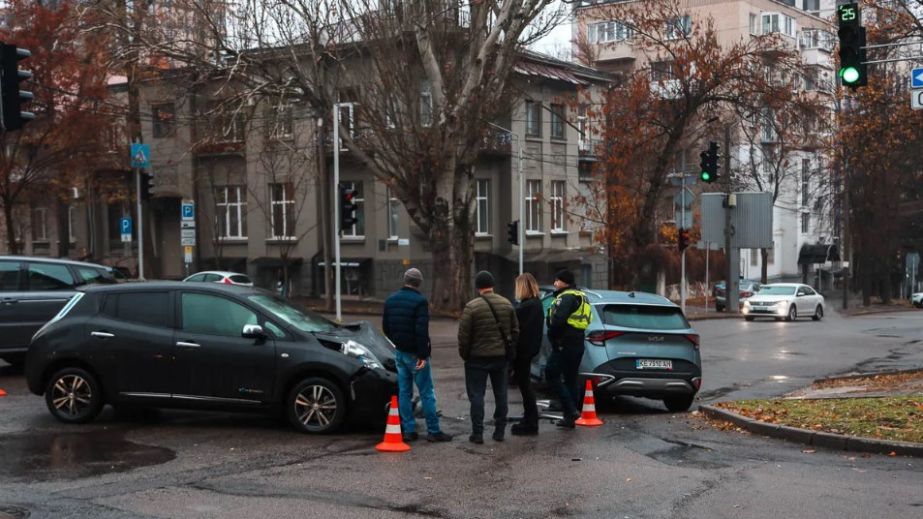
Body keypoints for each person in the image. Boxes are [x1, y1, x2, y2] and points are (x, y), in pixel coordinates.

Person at [382, 268, 452, 443]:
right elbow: (421, 332)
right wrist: (422, 355)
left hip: (400, 352)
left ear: (405, 280)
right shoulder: (420, 302)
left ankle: (409, 430)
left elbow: (386, 327)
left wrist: (398, 342)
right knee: (426, 392)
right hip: (416, 355)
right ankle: (433, 431)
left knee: (404, 392)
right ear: (419, 283)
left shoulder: (391, 300)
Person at [458, 270, 519, 444]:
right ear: (492, 285)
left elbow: (464, 336)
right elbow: (515, 331)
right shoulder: (506, 304)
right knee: (501, 394)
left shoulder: (471, 307)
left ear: (478, 287)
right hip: (500, 358)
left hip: (476, 359)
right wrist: (508, 349)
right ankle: (499, 431)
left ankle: (477, 433)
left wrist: (465, 355)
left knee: (477, 396)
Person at [545, 269, 592, 428]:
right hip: (578, 340)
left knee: (551, 373)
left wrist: (553, 337)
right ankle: (570, 416)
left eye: (557, 280)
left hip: (565, 341)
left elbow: (557, 321)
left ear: (564, 282)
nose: (555, 283)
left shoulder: (566, 297)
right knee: (571, 377)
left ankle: (570, 409)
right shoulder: (582, 296)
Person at [510, 273, 544, 436]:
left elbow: (517, 330)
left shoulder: (525, 307)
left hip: (522, 352)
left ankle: (531, 422)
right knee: (526, 386)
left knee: (525, 387)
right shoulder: (536, 304)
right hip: (530, 350)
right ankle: (530, 419)